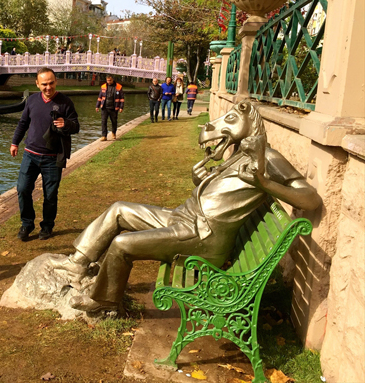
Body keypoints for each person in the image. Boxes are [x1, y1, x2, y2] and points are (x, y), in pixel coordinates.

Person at [50, 101, 321, 312]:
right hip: (183, 218)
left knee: (122, 245)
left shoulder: (268, 158)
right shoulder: (238, 154)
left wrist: (265, 183)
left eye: (231, 121)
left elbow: (310, 200)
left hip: (201, 236)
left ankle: (104, 301)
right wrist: (200, 180)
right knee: (118, 209)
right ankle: (78, 263)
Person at [10, 67, 80, 241]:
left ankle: (47, 226)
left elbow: (76, 126)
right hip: (30, 154)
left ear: (56, 82)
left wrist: (66, 124)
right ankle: (27, 224)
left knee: (50, 194)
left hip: (53, 157)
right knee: (23, 189)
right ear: (37, 84)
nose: (48, 87)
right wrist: (14, 142)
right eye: (44, 84)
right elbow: (23, 123)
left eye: (51, 83)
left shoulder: (65, 102)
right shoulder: (32, 100)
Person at [96, 75, 124, 141]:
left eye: (110, 80)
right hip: (104, 107)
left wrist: (121, 107)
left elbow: (122, 98)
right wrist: (97, 106)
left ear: (113, 79)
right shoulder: (103, 86)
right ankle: (104, 136)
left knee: (114, 121)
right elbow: (100, 97)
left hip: (114, 108)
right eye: (107, 80)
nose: (108, 82)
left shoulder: (118, 87)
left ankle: (113, 132)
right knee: (103, 121)